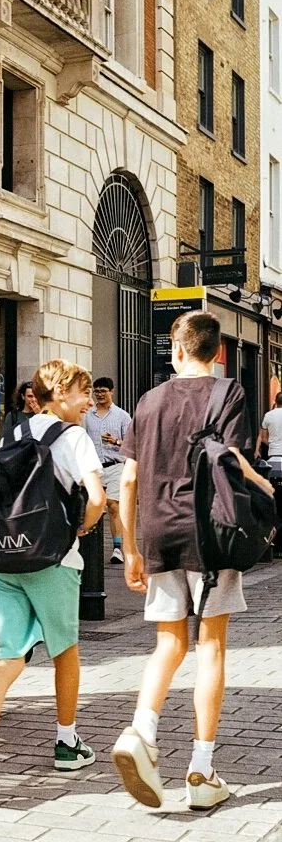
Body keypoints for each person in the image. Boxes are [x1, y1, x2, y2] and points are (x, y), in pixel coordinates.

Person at [111, 310, 272, 810]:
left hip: (160, 528)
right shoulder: (230, 394)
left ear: (177, 350)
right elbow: (234, 460)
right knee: (213, 646)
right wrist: (268, 489)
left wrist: (131, 547)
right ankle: (201, 771)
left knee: (168, 643)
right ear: (218, 352)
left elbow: (129, 480)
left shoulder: (148, 400)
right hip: (212, 529)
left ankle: (142, 730)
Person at [0, 359, 106, 802]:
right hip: (51, 559)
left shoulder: (10, 434)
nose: (87, 402)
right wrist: (83, 527)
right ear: (60, 394)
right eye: (82, 393)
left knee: (10, 655)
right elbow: (96, 497)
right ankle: (67, 742)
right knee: (65, 652)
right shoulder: (72, 435)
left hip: (3, 559)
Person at [84, 377, 132, 565]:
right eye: (96, 392)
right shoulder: (87, 415)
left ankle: (118, 548)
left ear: (111, 391)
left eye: (103, 391)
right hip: (94, 467)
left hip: (115, 465)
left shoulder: (122, 416)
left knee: (113, 505)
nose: (100, 395)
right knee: (93, 505)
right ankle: (89, 547)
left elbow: (132, 442)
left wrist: (116, 442)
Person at [258, 391, 282, 463]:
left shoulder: (268, 415)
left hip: (273, 453)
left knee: (274, 473)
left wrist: (273, 445)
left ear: (275, 401)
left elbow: (264, 438)